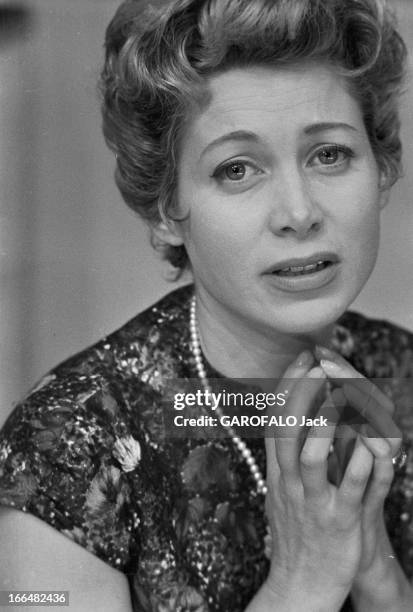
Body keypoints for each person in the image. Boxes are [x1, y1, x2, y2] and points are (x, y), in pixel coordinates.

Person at [1, 0, 413, 610]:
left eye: (329, 154)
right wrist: (304, 582)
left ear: (380, 169)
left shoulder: (400, 373)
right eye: (237, 169)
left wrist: (378, 577)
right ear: (166, 209)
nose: (299, 214)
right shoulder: (67, 446)